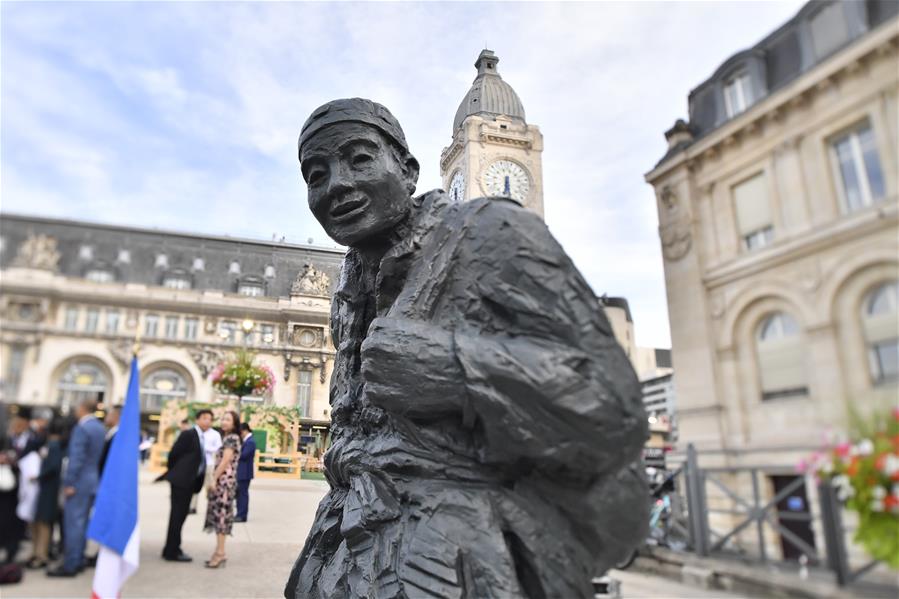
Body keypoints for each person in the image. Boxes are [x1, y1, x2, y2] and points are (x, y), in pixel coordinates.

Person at [286, 99, 647, 598]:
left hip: (462, 560)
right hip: (345, 553)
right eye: (316, 174)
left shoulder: (491, 233)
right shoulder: (348, 286)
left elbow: (613, 406)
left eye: (360, 159)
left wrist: (453, 368)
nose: (337, 185)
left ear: (408, 171)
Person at [48, 399, 105, 577]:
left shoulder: (82, 428)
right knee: (82, 523)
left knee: (73, 524)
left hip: (79, 482)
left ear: (82, 408)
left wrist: (70, 482)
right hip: (91, 480)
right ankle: (78, 558)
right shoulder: (99, 427)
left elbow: (76, 458)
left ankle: (71, 564)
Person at [160, 409, 210, 562]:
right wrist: (178, 473)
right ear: (197, 420)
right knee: (177, 516)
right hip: (181, 482)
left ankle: (172, 547)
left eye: (210, 419)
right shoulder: (188, 434)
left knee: (180, 517)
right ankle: (172, 552)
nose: (208, 421)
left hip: (190, 483)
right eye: (205, 418)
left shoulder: (201, 436)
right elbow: (174, 454)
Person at [203, 411, 240, 568]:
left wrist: (214, 478)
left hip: (224, 483)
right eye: (223, 418)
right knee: (219, 516)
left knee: (222, 517)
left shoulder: (232, 438)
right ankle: (219, 551)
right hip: (223, 482)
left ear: (234, 423)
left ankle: (220, 553)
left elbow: (225, 461)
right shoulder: (226, 437)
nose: (224, 421)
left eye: (228, 419)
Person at [27, 418, 64, 569]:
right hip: (44, 488)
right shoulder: (49, 444)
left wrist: (38, 476)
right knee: (38, 522)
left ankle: (42, 554)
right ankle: (37, 552)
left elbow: (53, 466)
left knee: (43, 523)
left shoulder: (53, 446)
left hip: (48, 489)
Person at [190, 418, 221, 515]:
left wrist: (206, 448)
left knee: (209, 487)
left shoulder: (215, 434)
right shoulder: (196, 433)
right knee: (194, 487)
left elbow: (219, 448)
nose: (206, 422)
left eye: (209, 420)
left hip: (209, 464)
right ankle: (192, 507)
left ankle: (211, 507)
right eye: (204, 419)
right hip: (196, 464)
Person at [235, 423, 256, 523]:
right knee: (240, 494)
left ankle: (242, 515)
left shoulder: (250, 441)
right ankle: (239, 514)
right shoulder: (247, 441)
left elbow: (243, 455)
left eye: (240, 432)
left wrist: (234, 451)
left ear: (244, 430)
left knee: (242, 494)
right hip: (242, 472)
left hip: (244, 472)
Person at [98, 406, 121, 474]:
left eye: (108, 415)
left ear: (115, 416)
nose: (106, 417)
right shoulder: (110, 433)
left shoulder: (117, 436)